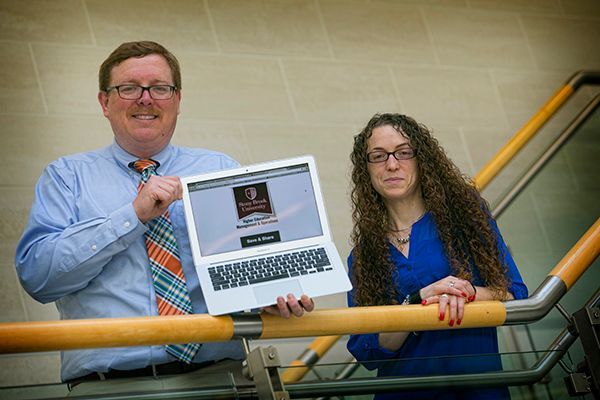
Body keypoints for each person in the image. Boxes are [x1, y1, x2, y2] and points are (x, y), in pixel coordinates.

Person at [14, 41, 313, 390]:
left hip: (221, 379)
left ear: (177, 100)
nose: (145, 99)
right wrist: (132, 216)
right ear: (104, 102)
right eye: (128, 88)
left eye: (159, 88)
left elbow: (254, 265)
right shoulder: (66, 177)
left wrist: (272, 297)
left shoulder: (218, 170)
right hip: (109, 387)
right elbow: (39, 278)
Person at [346, 113, 528, 399]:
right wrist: (416, 304)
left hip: (477, 391)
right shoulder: (362, 256)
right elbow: (368, 353)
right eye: (378, 156)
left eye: (404, 153)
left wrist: (460, 293)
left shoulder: (465, 219)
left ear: (422, 159)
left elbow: (515, 294)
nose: (392, 164)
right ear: (366, 169)